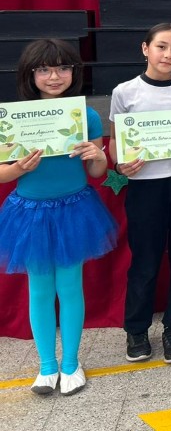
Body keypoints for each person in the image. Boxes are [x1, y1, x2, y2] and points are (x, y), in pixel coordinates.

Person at [0, 40, 117, 396]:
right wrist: (18, 168)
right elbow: (2, 173)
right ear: (30, 74)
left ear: (74, 72)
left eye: (63, 68)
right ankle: (47, 366)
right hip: (30, 213)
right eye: (44, 69)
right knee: (39, 289)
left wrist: (97, 155)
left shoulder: (86, 116)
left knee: (69, 287)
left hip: (73, 210)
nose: (54, 76)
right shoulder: (12, 118)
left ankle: (71, 363)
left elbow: (97, 171)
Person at [109, 24, 171, 364]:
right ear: (145, 48)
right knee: (145, 259)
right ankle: (136, 329)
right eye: (161, 46)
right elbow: (116, 143)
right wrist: (120, 164)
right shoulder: (125, 92)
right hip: (145, 187)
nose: (168, 54)